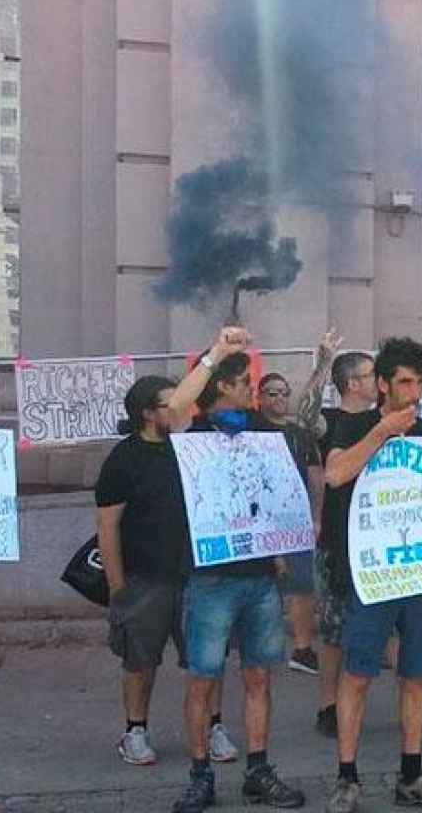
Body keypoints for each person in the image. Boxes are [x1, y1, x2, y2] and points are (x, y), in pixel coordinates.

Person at [319, 337, 422, 813]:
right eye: (405, 382)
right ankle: (347, 777)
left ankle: (412, 773)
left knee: (418, 676)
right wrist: (382, 431)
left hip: (419, 574)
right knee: (357, 675)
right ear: (382, 384)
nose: (414, 391)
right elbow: (335, 473)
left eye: (420, 382)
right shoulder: (353, 424)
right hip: (371, 576)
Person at [168, 327, 306, 812]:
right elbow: (172, 409)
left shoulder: (261, 430)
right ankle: (200, 774)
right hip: (211, 577)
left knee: (258, 677)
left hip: (260, 576)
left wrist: (283, 546)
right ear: (222, 386)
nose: (253, 388)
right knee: (203, 678)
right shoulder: (195, 434)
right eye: (244, 381)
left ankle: (258, 769)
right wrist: (215, 354)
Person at [96, 375, 239, 767]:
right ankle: (135, 730)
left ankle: (213, 727)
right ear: (146, 413)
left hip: (198, 575)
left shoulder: (192, 448)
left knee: (208, 658)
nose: (180, 409)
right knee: (140, 659)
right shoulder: (124, 459)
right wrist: (117, 585)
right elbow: (107, 525)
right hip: (145, 579)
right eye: (169, 404)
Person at [313, 348, 376, 737]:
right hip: (338, 539)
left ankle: (421, 702)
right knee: (334, 630)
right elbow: (301, 417)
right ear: (352, 383)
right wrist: (322, 366)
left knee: (393, 628)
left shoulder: (382, 420)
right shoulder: (330, 422)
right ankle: (328, 704)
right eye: (370, 375)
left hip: (377, 536)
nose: (377, 380)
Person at [258, 370, 324, 676]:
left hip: (294, 519)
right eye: (272, 393)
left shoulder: (300, 435)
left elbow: (315, 476)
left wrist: (316, 517)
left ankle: (302, 648)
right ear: (259, 397)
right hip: (258, 520)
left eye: (284, 392)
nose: (280, 398)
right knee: (261, 586)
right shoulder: (251, 430)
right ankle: (258, 646)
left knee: (303, 585)